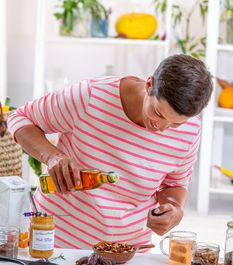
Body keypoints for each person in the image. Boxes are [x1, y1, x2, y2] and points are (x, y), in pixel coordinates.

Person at [8, 54, 213, 249]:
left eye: (175, 124)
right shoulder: (92, 96)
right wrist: (52, 156)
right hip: (56, 240)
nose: (162, 127)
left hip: (127, 251)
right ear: (150, 85)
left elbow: (175, 183)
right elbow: (20, 118)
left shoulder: (190, 130)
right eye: (158, 113)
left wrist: (173, 208)